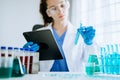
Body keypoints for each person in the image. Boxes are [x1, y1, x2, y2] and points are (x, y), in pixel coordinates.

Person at [23, 0, 97, 72]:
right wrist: (27, 54)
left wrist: (89, 44)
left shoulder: (81, 34)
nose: (60, 11)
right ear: (48, 13)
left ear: (67, 5)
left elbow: (93, 63)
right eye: (54, 8)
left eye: (62, 5)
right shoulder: (39, 34)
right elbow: (31, 68)